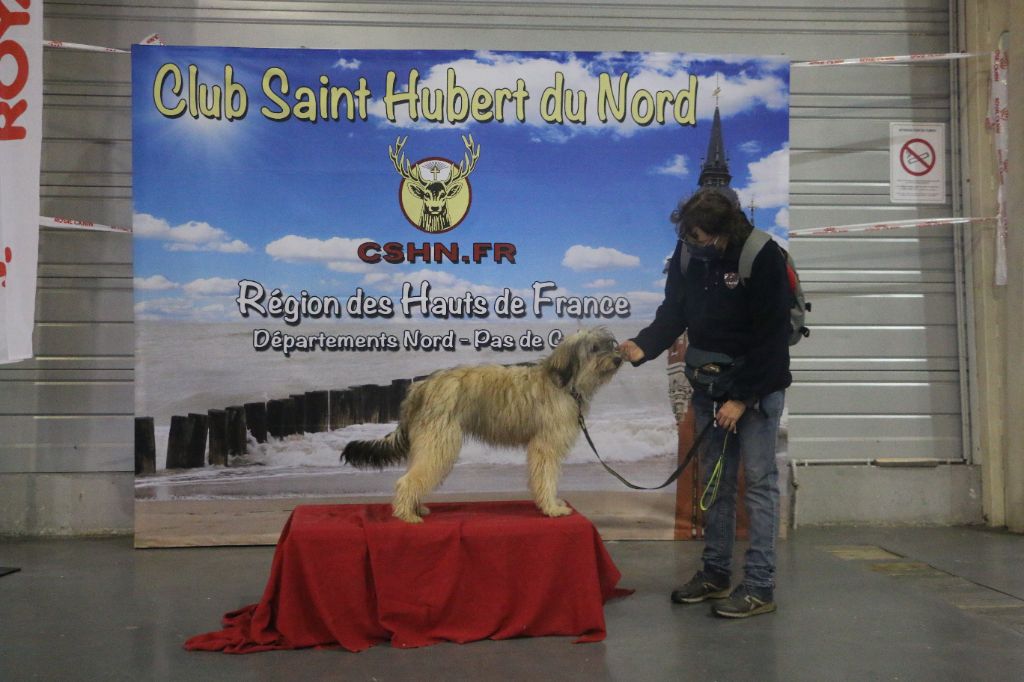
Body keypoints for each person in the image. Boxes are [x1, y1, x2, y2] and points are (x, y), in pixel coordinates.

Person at [618, 187, 791, 618]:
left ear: (724, 231)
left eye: (700, 238)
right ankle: (715, 574)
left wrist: (742, 398)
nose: (694, 245)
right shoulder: (687, 253)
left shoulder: (762, 255)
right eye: (688, 237)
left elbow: (772, 339)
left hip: (756, 386)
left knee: (759, 485)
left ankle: (760, 587)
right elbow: (673, 311)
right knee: (716, 484)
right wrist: (644, 346)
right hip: (708, 385)